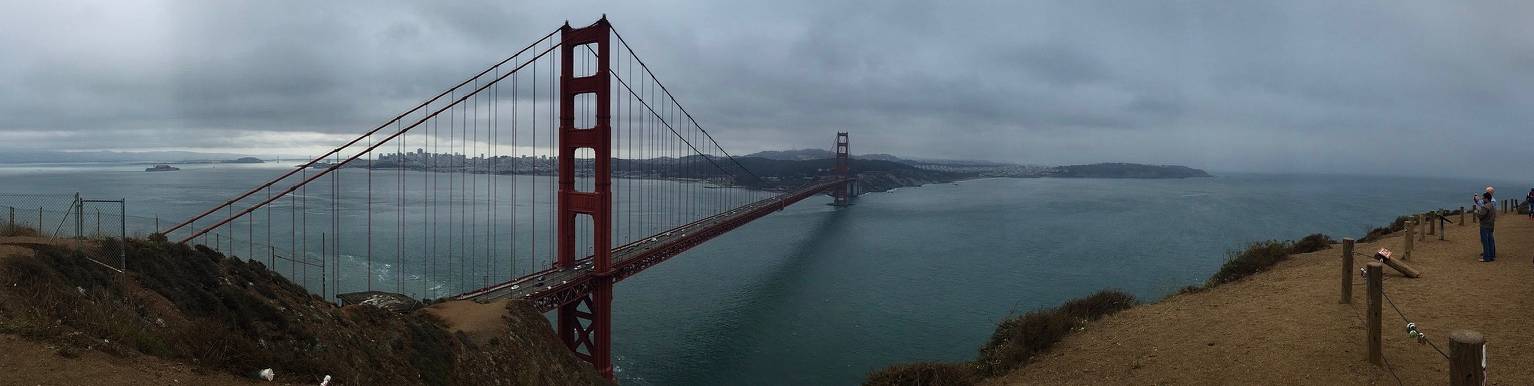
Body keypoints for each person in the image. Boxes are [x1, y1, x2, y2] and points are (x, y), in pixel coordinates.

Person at [1473, 190, 1497, 262]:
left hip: (1484, 225)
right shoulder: (1492, 205)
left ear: (1486, 198)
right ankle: (1491, 256)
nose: (1482, 199)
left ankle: (1486, 257)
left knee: (1485, 241)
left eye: (1483, 198)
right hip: (1491, 225)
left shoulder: (1485, 207)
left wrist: (1477, 212)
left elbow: (1481, 216)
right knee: (1490, 241)